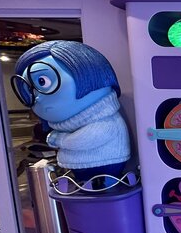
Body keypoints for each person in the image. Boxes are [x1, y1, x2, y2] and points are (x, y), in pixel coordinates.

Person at [11, 41, 130, 186]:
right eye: (29, 90)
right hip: (80, 173)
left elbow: (87, 138)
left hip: (106, 168)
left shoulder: (107, 122)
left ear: (89, 74)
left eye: (42, 82)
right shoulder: (70, 126)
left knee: (104, 188)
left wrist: (60, 139)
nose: (37, 98)